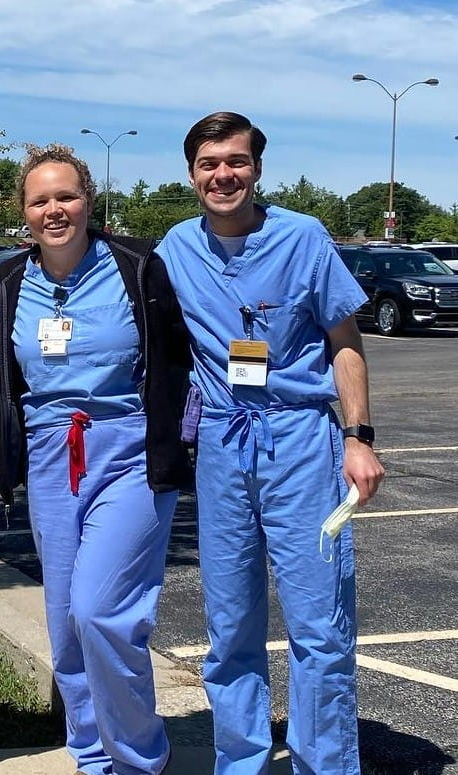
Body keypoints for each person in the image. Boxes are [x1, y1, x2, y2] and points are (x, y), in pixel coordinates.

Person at [155, 111, 385, 775]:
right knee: (229, 627)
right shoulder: (176, 248)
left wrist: (357, 437)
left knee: (318, 622)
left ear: (255, 168)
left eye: (235, 161)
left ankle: (324, 763)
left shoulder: (302, 238)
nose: (222, 174)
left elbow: (345, 344)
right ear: (191, 173)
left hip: (301, 442)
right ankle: (242, 759)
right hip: (224, 446)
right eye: (208, 163)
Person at [0, 144, 193, 775]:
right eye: (40, 200)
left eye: (66, 196)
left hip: (127, 448)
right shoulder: (4, 281)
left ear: (89, 201)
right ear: (23, 212)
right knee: (64, 621)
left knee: (101, 610)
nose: (55, 210)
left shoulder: (137, 265)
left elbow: (183, 357)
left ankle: (137, 760)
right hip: (50, 454)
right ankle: (90, 755)